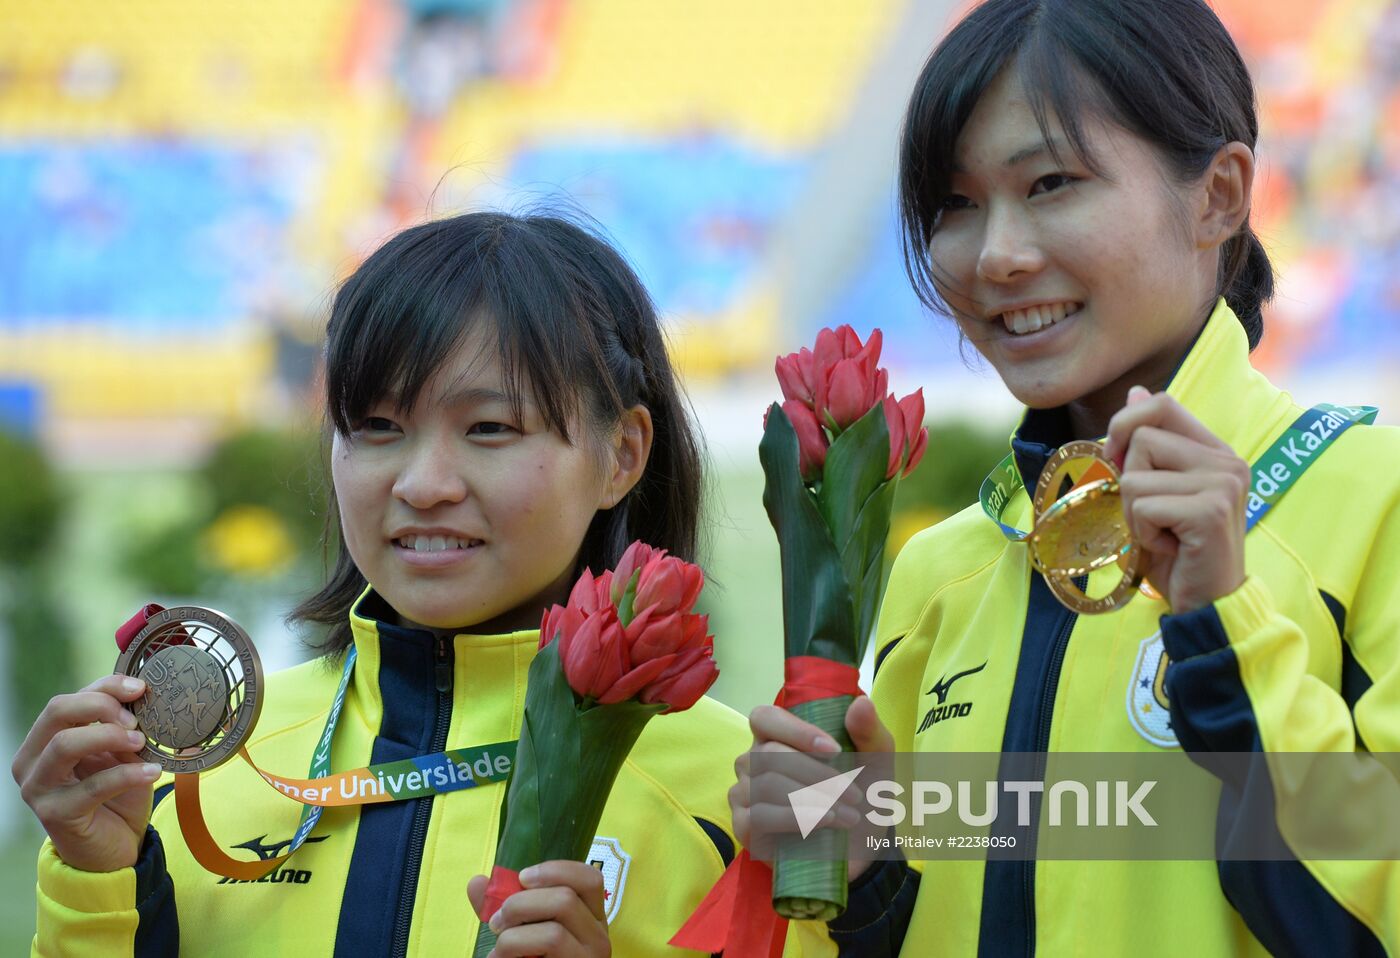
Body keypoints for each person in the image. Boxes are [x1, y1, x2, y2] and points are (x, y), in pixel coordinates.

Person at [730, 0, 1400, 954]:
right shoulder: (940, 573)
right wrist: (869, 875)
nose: (995, 255)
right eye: (956, 205)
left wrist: (1224, 631)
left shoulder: (1373, 499)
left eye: (1050, 182)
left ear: (1218, 196)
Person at [14, 211, 835, 957]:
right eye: (377, 427)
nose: (423, 482)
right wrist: (94, 879)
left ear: (622, 453)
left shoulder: (743, 796)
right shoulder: (197, 776)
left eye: (488, 428)